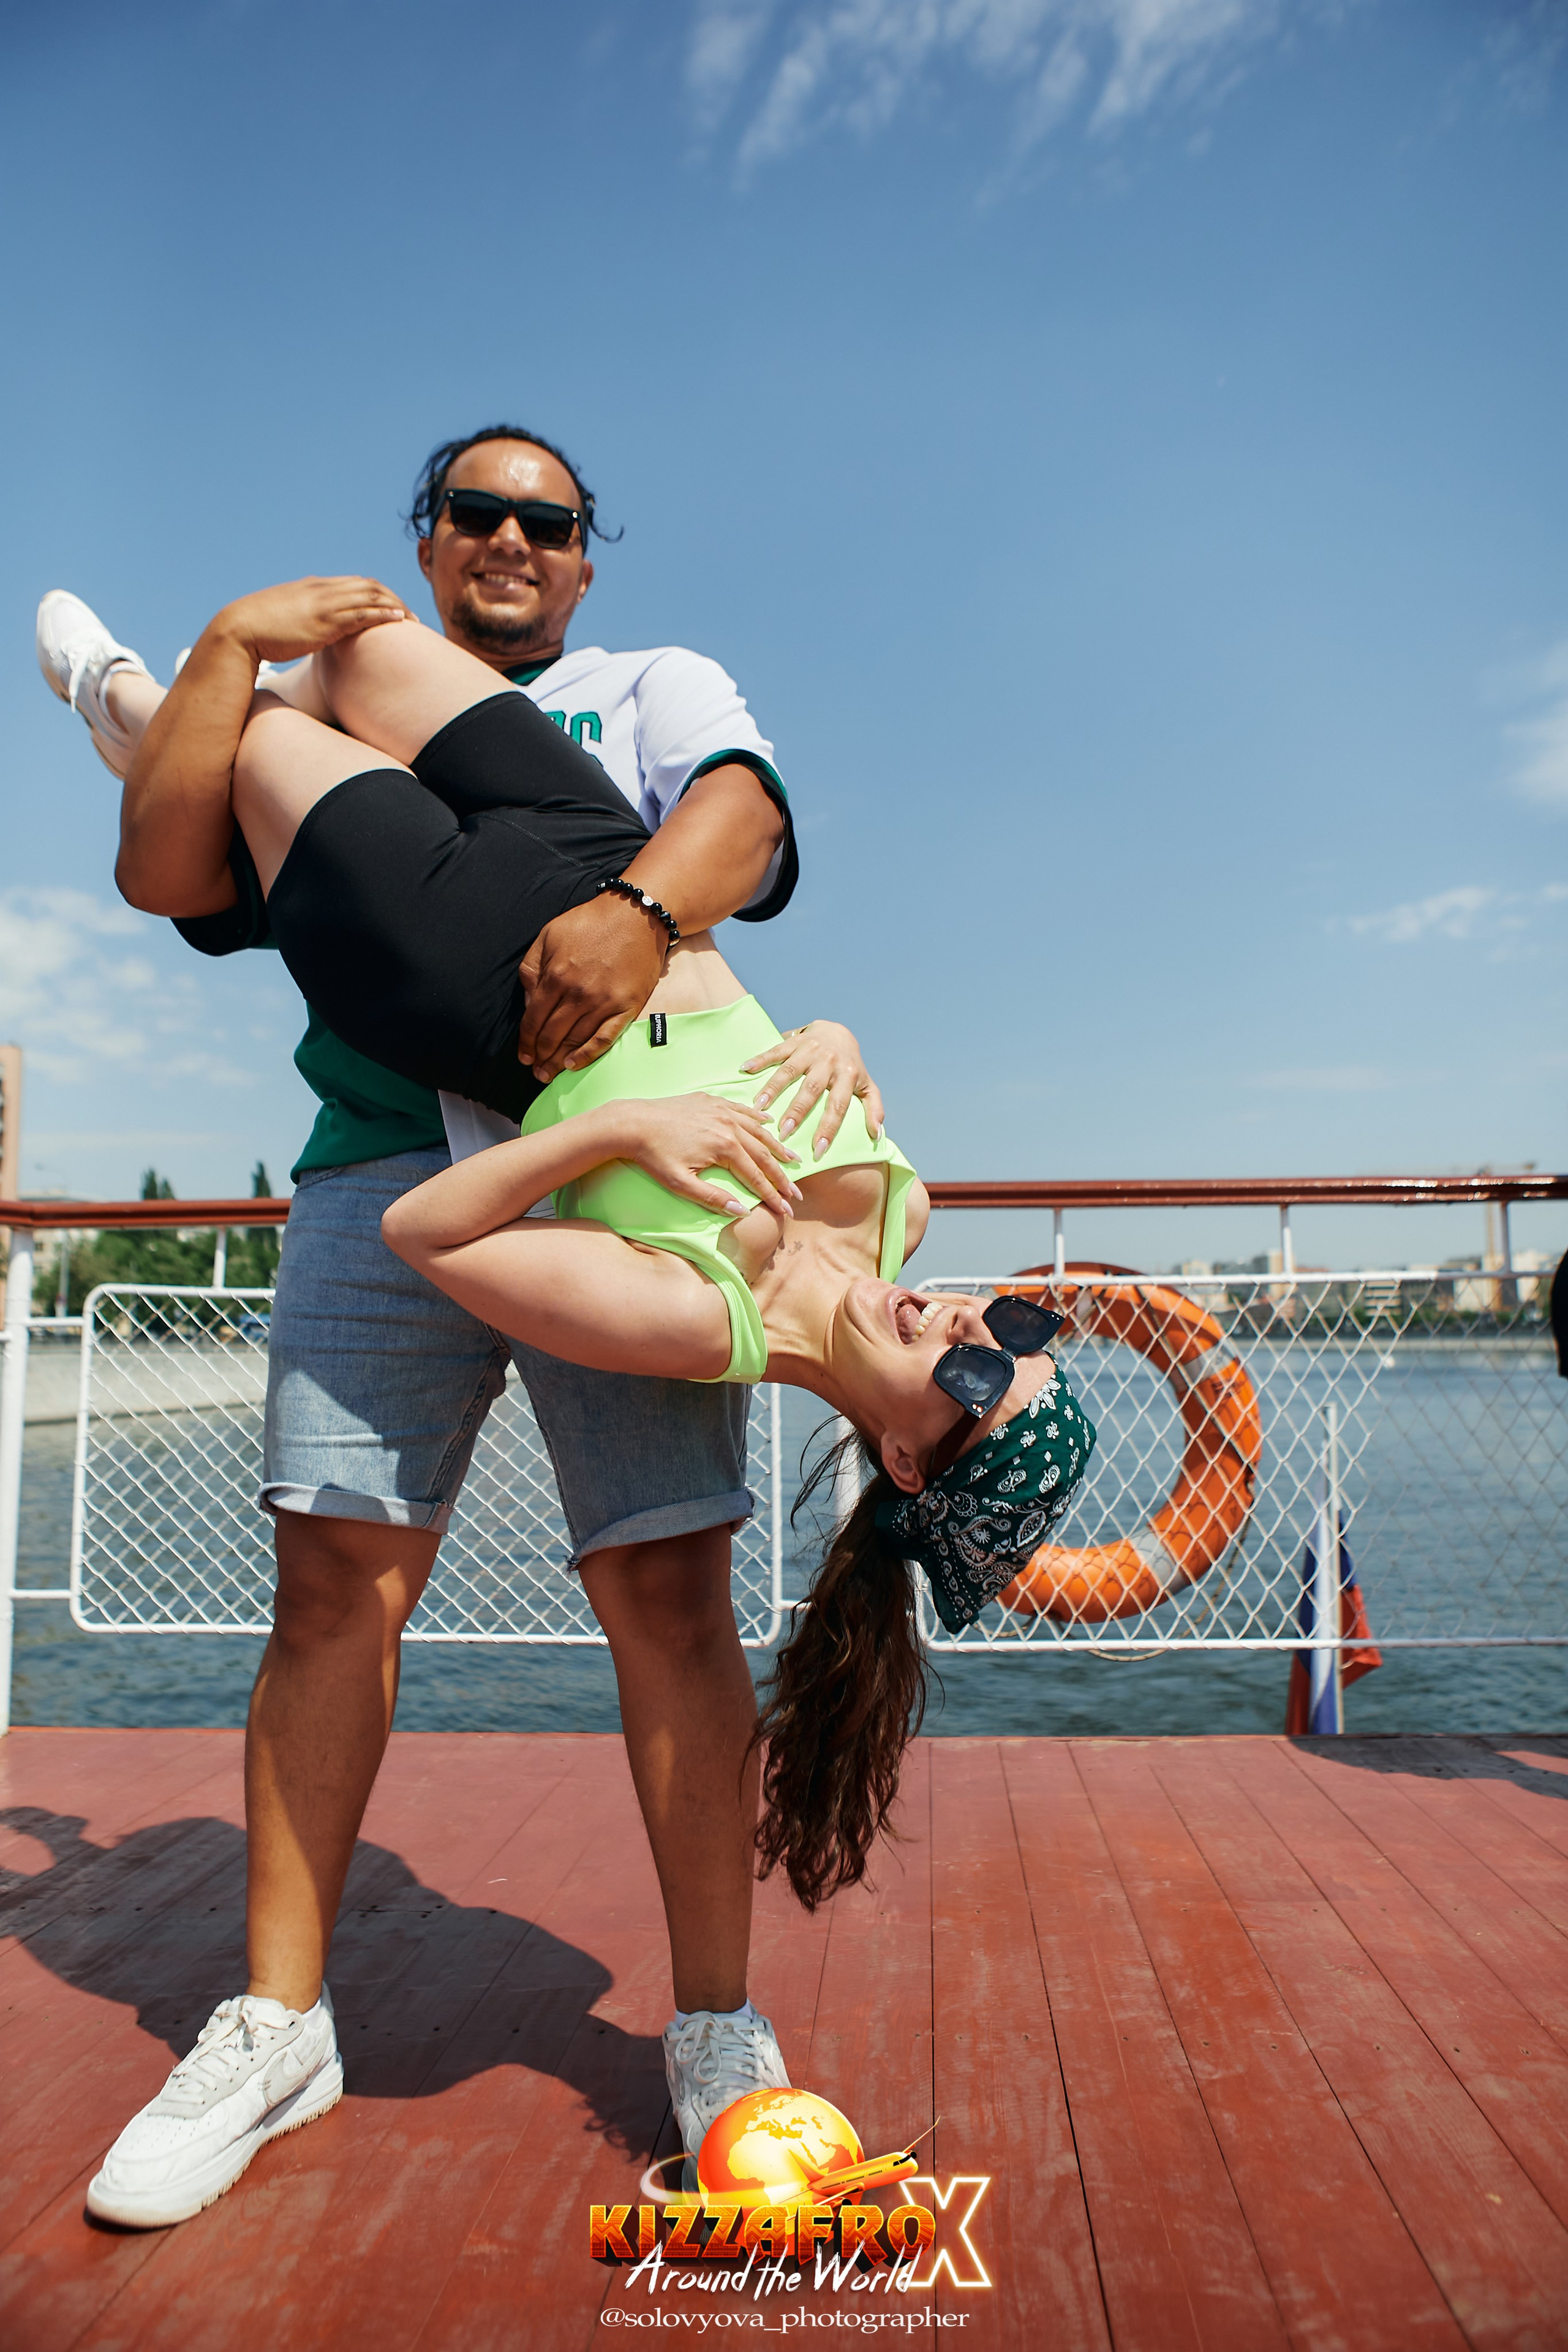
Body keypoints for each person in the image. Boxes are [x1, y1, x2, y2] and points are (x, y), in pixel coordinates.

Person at [34, 426, 878, 2230]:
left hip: (636, 1197)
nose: (510, 537)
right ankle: (274, 2020)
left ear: (585, 559)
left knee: (669, 1587)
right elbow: (173, 876)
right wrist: (208, 662)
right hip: (377, 1171)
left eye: (546, 521)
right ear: (425, 543)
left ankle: (716, 2020)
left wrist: (642, 911)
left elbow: (744, 818)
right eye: (475, 512)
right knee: (336, 1581)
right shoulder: (332, 708)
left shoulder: (646, 685)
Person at [92, 592, 1098, 1908]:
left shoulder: (702, 1321)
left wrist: (617, 1130)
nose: (971, 1331)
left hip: (475, 974)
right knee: (349, 646)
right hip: (608, 876)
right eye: (1011, 1337)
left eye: (976, 1387)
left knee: (264, 741)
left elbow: (424, 1228)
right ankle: (152, 720)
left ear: (902, 1459)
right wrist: (838, 1030)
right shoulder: (899, 1214)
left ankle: (115, 700)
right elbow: (762, 1003)